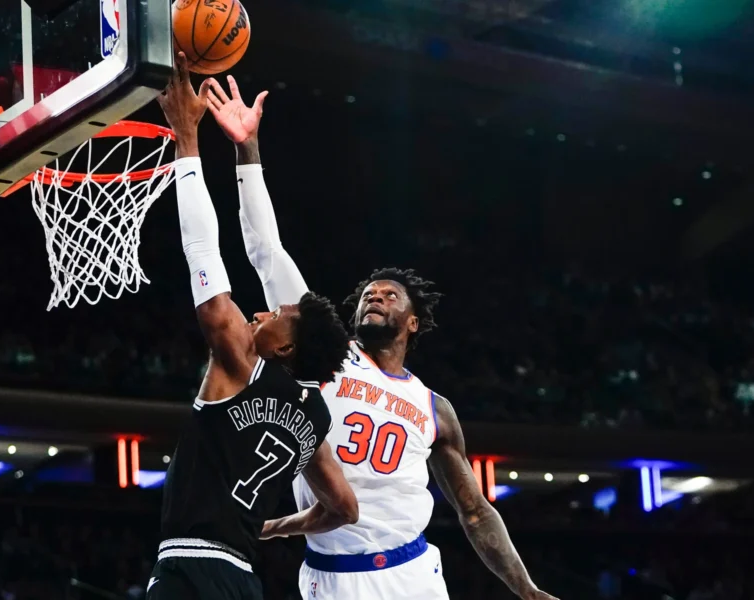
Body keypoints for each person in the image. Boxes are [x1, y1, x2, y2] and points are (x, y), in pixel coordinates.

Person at [204, 75, 560, 600]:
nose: (376, 296)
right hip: (335, 575)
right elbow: (266, 249)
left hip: (413, 572)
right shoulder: (328, 357)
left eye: (391, 296)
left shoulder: (435, 408)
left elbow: (474, 510)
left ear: (413, 323)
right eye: (370, 293)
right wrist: (247, 148)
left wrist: (526, 590)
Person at [149, 53, 359, 600]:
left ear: (286, 346)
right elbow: (344, 505)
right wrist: (272, 526)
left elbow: (202, 249)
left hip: (191, 570)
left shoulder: (241, 360)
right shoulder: (312, 417)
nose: (263, 311)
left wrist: (186, 141)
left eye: (275, 315)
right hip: (243, 580)